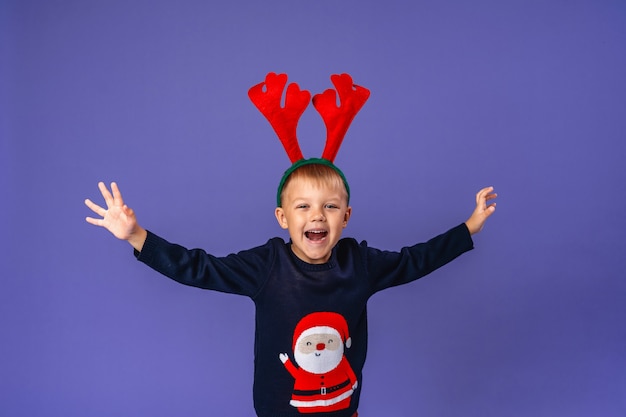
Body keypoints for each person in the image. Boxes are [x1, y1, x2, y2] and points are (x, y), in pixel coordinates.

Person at [84, 73, 497, 417]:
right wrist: (138, 236)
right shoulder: (267, 266)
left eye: (330, 206)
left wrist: (469, 227)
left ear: (346, 217)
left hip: (342, 409)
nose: (316, 216)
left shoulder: (361, 263)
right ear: (283, 219)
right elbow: (200, 267)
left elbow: (415, 261)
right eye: (303, 207)